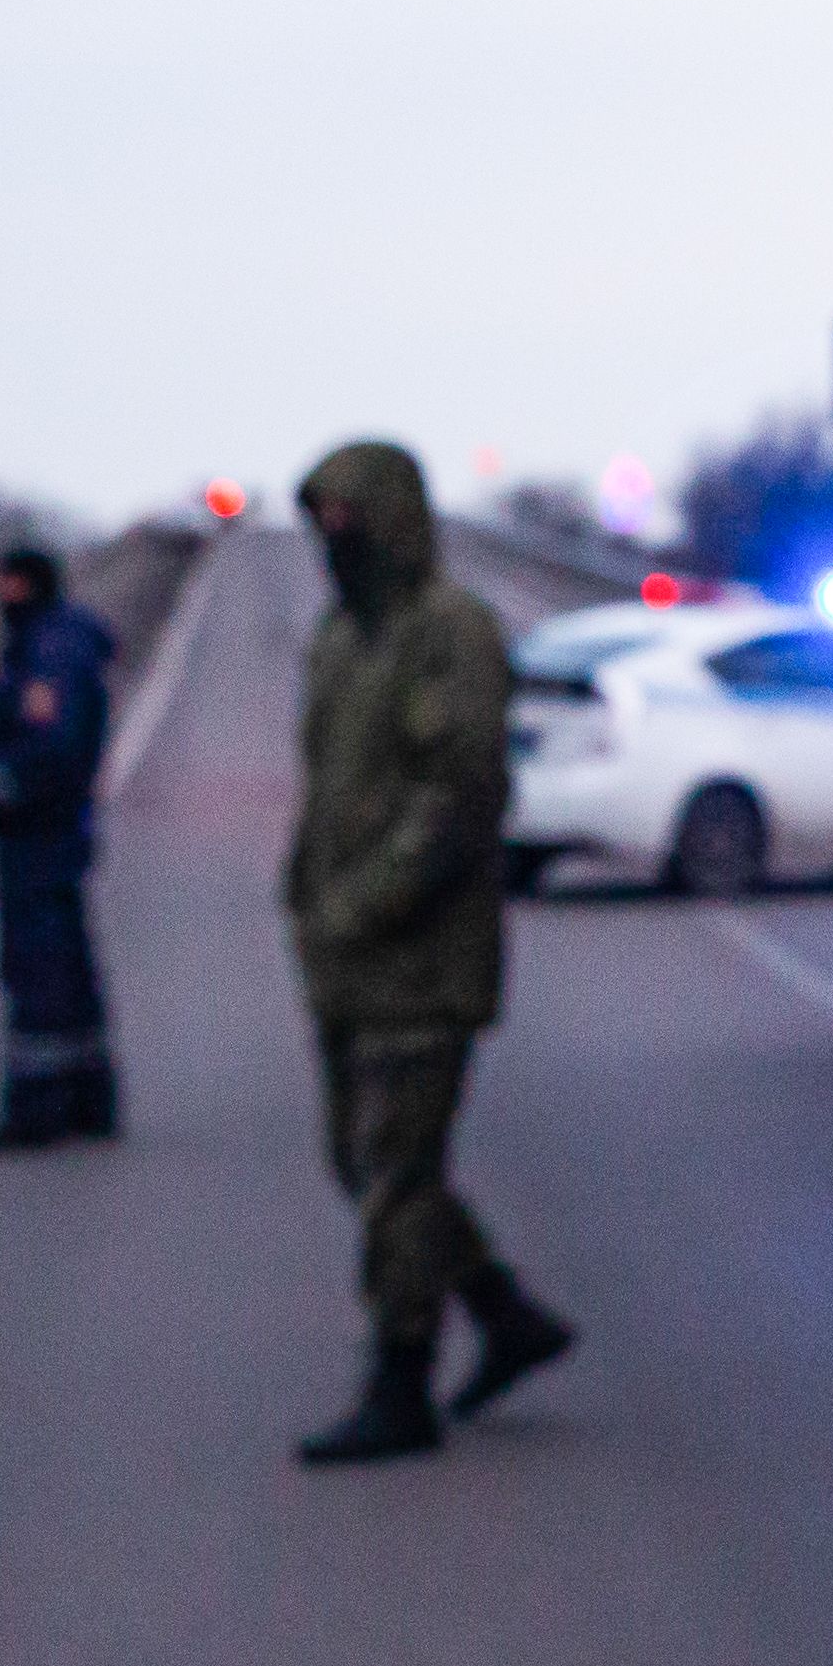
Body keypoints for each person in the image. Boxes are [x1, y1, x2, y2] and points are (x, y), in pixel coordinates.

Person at [281, 439, 574, 1463]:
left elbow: (458, 799)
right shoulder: (338, 638)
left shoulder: (452, 634)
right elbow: (329, 787)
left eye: (348, 518)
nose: (333, 539)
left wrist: (362, 902)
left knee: (398, 1173)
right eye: (321, 521)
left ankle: (399, 1376)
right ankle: (502, 1310)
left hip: (421, 957)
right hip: (342, 956)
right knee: (358, 1162)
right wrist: (307, 898)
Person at [0, 542, 125, 1150]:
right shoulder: (42, 644)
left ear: (26, 586)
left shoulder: (51, 653)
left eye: (7, 583)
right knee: (64, 961)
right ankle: (86, 1097)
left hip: (40, 833)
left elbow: (51, 746)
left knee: (39, 964)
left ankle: (39, 1109)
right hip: (46, 831)